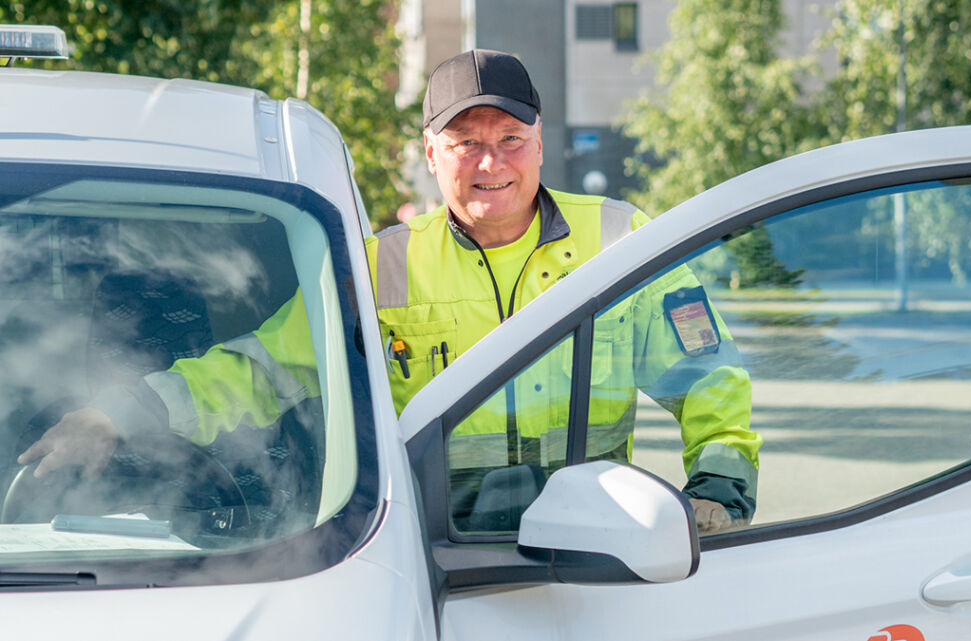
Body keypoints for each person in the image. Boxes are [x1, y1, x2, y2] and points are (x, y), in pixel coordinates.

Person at [18, 49, 760, 532]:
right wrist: (119, 413)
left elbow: (708, 375)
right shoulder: (382, 267)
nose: (489, 162)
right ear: (432, 153)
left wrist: (718, 490)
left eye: (509, 140)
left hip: (592, 545)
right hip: (440, 556)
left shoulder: (620, 240)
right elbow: (254, 369)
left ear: (539, 142)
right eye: (466, 141)